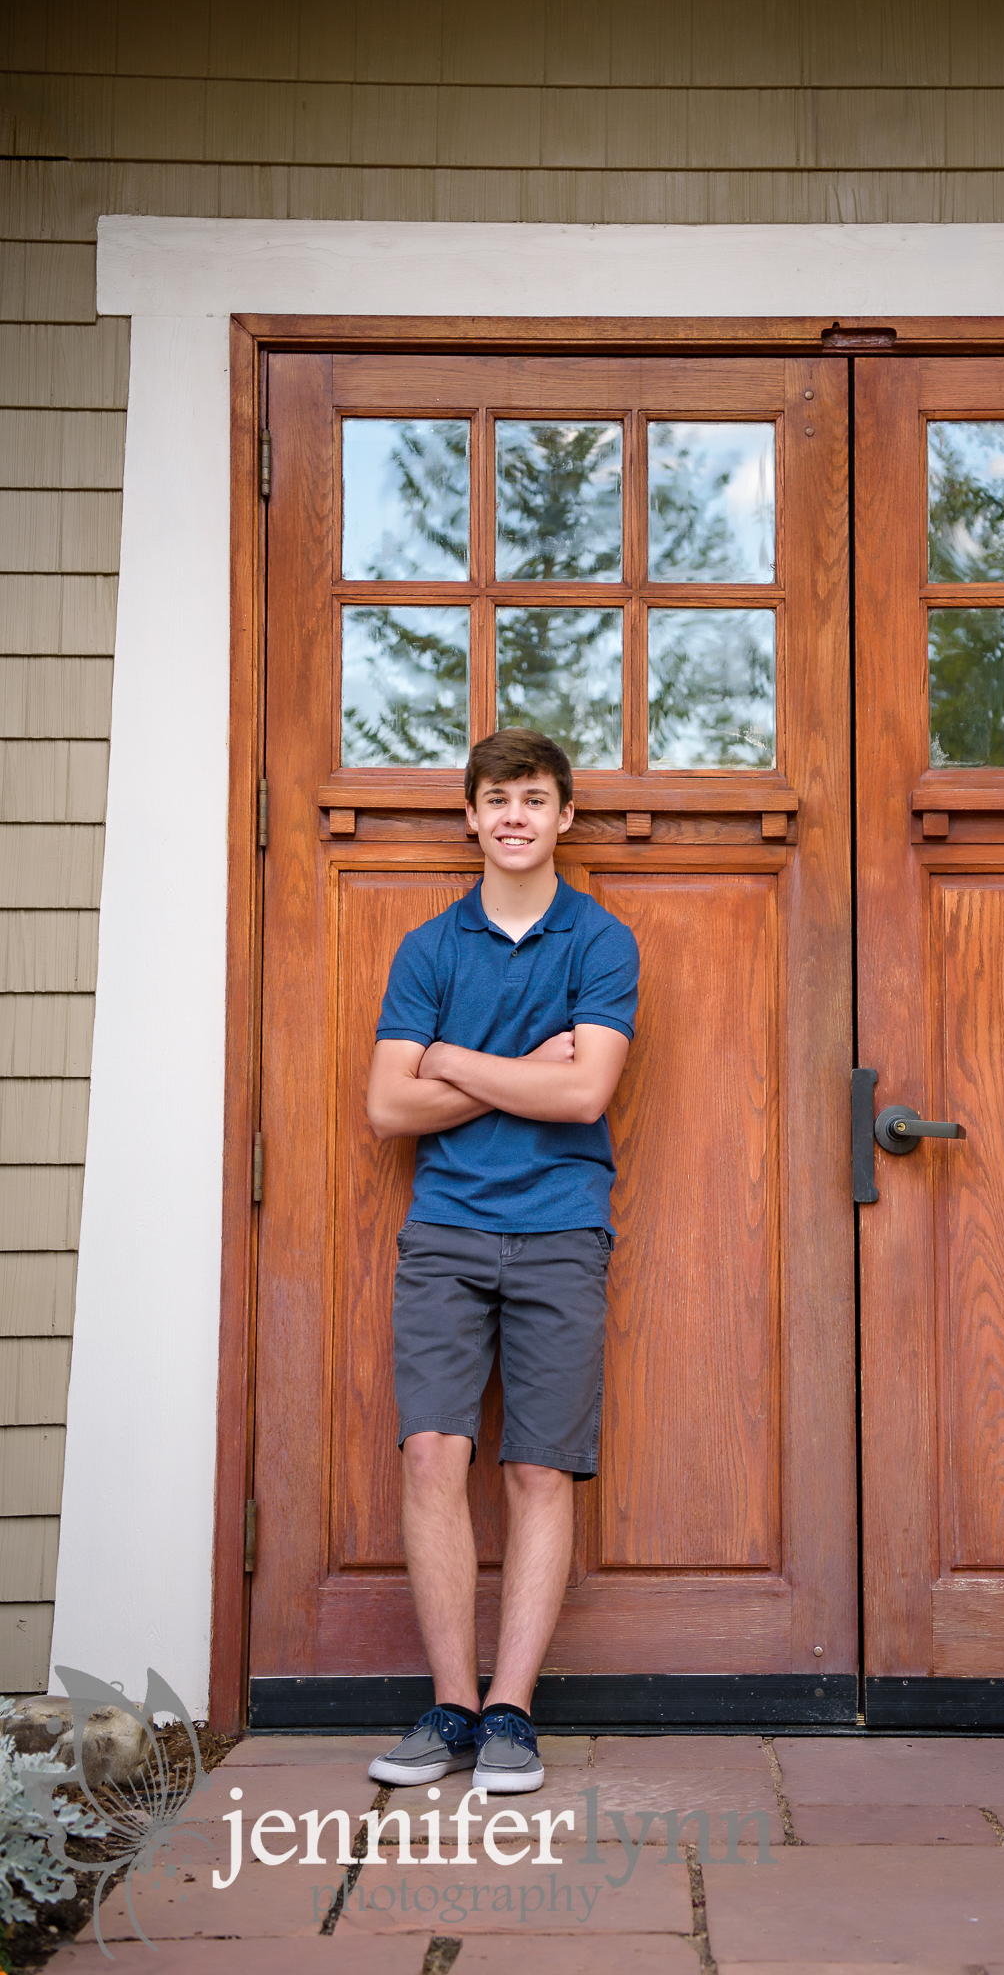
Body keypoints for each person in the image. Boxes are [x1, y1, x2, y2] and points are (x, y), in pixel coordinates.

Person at [363, 729, 638, 1796]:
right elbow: (389, 1107)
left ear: (565, 815)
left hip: (564, 1228)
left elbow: (585, 1094)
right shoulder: (429, 948)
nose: (515, 815)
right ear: (470, 818)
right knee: (431, 1453)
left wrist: (459, 1064)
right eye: (496, 799)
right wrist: (527, 1063)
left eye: (534, 797)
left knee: (538, 1467)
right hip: (445, 1228)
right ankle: (450, 1707)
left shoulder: (601, 942)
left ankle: (513, 1713)